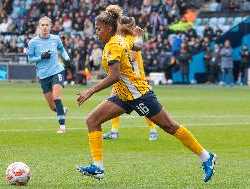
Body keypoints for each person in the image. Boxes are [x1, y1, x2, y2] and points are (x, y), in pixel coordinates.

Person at [76, 5, 217, 182]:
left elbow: (114, 76)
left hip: (139, 94)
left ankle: (206, 156)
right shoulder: (120, 39)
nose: (96, 33)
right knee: (92, 120)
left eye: (98, 29)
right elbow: (138, 46)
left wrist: (90, 91)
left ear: (109, 28)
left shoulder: (114, 45)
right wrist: (139, 35)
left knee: (170, 126)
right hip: (124, 95)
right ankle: (98, 167)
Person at [102, 16, 158, 141]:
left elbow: (131, 58)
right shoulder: (122, 39)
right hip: (123, 78)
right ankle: (114, 131)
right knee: (113, 100)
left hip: (135, 78)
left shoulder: (131, 39)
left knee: (145, 105)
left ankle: (153, 129)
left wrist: (118, 56)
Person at [27, 16, 71, 134]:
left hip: (57, 71)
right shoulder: (33, 42)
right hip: (43, 75)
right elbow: (30, 59)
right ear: (39, 27)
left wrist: (67, 59)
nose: (45, 27)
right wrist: (41, 57)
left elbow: (62, 49)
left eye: (47, 25)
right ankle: (62, 110)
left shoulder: (55, 39)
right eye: (42, 25)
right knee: (52, 106)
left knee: (57, 97)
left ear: (50, 26)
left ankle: (62, 127)